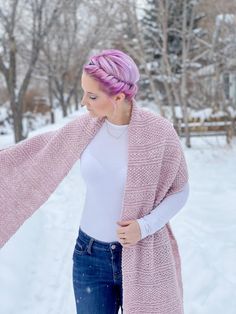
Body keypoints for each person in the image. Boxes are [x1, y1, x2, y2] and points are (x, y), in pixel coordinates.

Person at [0, 49, 189, 314]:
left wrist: (144, 227)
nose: (83, 102)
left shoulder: (160, 133)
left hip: (140, 255)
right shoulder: (85, 128)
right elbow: (34, 155)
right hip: (89, 257)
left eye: (92, 96)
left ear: (119, 97)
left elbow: (180, 191)